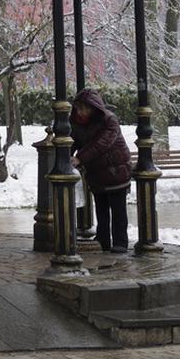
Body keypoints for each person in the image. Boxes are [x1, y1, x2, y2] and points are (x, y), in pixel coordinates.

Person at [71, 89, 133, 254]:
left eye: (85, 108)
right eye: (79, 108)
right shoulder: (77, 123)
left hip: (116, 170)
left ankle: (120, 242)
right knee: (101, 208)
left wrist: (80, 158)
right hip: (96, 173)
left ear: (93, 108)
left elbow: (102, 143)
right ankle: (103, 239)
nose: (81, 112)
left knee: (118, 209)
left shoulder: (109, 120)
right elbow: (73, 141)